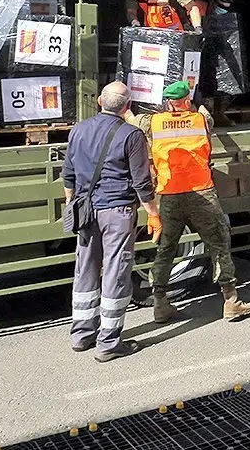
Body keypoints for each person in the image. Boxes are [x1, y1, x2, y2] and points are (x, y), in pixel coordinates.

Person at [125, 81, 250, 322]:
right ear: (186, 101)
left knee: (166, 247)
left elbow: (129, 117)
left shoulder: (152, 122)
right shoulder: (200, 120)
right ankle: (230, 301)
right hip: (201, 193)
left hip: (169, 194)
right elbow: (206, 111)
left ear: (167, 103)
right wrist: (199, 97)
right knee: (219, 243)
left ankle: (161, 303)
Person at [62, 82, 161, 362]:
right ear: (128, 106)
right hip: (116, 211)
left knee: (85, 269)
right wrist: (153, 213)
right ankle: (109, 342)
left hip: (85, 208)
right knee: (116, 272)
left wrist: (72, 203)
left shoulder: (78, 129)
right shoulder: (132, 135)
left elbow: (68, 174)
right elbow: (142, 181)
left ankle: (82, 335)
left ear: (98, 101)